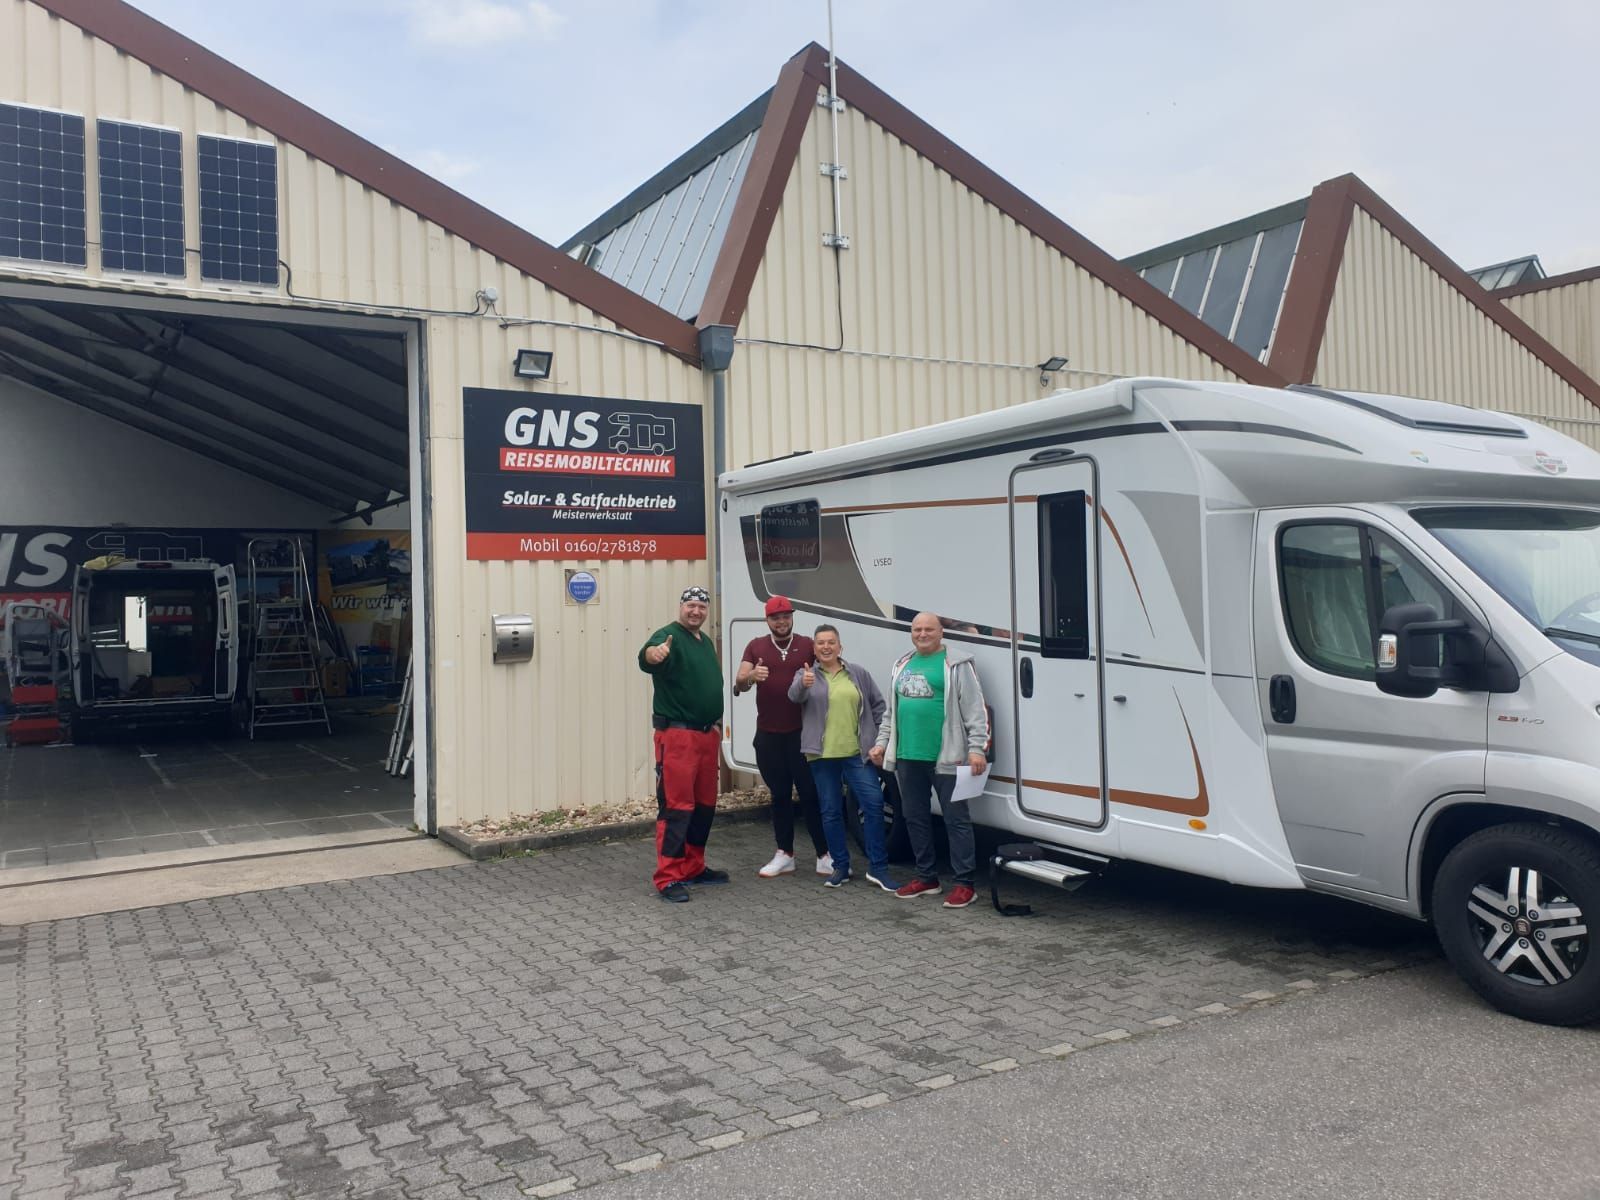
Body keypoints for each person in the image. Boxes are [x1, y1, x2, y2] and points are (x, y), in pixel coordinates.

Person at [870, 611, 989, 909]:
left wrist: (977, 749)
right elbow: (891, 713)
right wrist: (881, 744)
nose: (922, 634)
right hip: (908, 756)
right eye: (917, 629)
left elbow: (975, 710)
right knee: (915, 818)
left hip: (947, 757)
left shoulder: (957, 664)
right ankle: (927, 878)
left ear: (941, 632)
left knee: (956, 820)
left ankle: (964, 884)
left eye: (928, 629)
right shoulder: (902, 664)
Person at [787, 625, 896, 892]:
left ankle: (878, 868)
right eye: (821, 643)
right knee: (831, 811)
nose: (826, 647)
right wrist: (803, 684)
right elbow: (793, 696)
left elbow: (878, 706)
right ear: (814, 649)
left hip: (858, 754)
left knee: (873, 804)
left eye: (831, 642)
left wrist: (879, 742)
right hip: (821, 755)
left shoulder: (857, 673)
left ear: (840, 647)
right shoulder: (805, 674)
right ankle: (840, 866)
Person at [638, 586, 729, 903]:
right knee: (677, 807)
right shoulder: (668, 636)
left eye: (701, 607)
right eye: (690, 605)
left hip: (706, 735)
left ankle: (693, 866)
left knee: (704, 806)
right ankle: (668, 876)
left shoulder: (703, 642)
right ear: (681, 607)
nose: (696, 611)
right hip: (678, 736)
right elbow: (648, 657)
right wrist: (655, 654)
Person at [734, 596, 831, 879]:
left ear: (792, 617)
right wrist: (752, 676)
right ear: (767, 620)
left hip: (802, 735)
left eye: (786, 616)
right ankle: (784, 854)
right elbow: (739, 681)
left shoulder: (807, 645)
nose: (781, 621)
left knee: (810, 794)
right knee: (779, 796)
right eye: (775, 618)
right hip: (768, 736)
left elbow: (832, 667)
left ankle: (824, 855)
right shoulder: (756, 646)